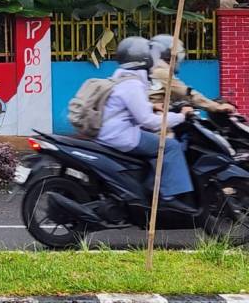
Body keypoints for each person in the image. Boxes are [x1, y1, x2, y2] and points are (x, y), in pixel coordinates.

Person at [96, 36, 196, 214]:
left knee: (157, 145)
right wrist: (180, 117)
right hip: (122, 136)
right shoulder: (133, 84)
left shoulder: (123, 76)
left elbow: (127, 107)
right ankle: (168, 197)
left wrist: (153, 105)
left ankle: (149, 185)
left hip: (112, 131)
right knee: (171, 146)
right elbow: (148, 121)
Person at [148, 35, 237, 114]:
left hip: (157, 116)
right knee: (171, 133)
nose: (178, 58)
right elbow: (186, 93)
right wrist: (216, 107)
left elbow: (176, 96)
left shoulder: (154, 69)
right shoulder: (160, 72)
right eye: (176, 54)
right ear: (167, 54)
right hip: (158, 122)